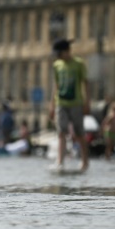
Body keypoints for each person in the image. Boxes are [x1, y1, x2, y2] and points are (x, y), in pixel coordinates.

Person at [48, 38, 90, 171]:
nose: (58, 56)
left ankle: (85, 162)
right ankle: (60, 161)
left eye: (60, 53)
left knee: (79, 133)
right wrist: (52, 105)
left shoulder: (78, 64)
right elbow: (56, 85)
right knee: (61, 132)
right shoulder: (57, 65)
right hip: (61, 102)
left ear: (67, 51)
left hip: (76, 102)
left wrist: (87, 102)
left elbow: (85, 83)